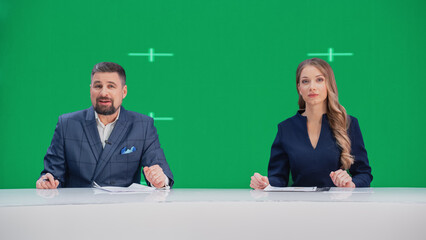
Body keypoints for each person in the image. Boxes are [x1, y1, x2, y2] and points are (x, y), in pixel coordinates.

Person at [36, 62, 173, 189]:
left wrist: (160, 180)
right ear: (91, 90)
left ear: (123, 92)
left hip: (122, 210)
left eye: (111, 86)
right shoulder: (67, 124)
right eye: (98, 86)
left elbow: (161, 170)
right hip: (77, 210)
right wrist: (47, 182)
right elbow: (52, 174)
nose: (103, 93)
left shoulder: (143, 126)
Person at [250, 58, 372, 189]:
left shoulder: (348, 124)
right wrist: (265, 183)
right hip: (299, 206)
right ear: (299, 88)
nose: (312, 87)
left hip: (338, 206)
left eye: (319, 80)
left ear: (328, 84)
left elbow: (364, 174)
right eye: (305, 81)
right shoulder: (285, 129)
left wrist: (351, 184)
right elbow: (278, 178)